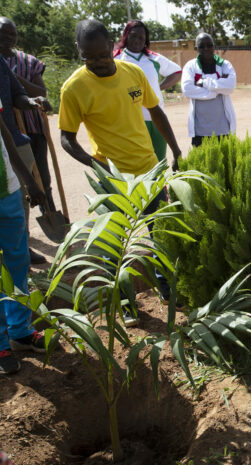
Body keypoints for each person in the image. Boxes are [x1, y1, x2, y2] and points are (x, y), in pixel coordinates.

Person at [59, 19, 183, 327]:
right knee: (114, 247)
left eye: (102, 55)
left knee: (161, 235)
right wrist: (93, 164)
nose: (99, 63)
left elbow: (156, 110)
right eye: (90, 58)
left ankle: (166, 287)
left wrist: (176, 150)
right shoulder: (74, 87)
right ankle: (126, 303)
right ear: (80, 51)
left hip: (148, 170)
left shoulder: (134, 72)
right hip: (111, 177)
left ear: (110, 45)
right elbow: (66, 137)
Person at [0, 97, 48, 374]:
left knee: (17, 261)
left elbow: (3, 131)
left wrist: (28, 179)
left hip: (7, 188)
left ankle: (19, 331)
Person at [0, 21, 49, 265]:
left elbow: (18, 94)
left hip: (13, 141)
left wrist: (32, 102)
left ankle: (22, 248)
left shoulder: (2, 64)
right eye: (2, 34)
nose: (7, 39)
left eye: (11, 34)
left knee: (19, 203)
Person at [114, 20, 182, 162]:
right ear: (126, 36)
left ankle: (160, 185)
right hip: (131, 122)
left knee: (159, 162)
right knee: (137, 164)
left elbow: (177, 72)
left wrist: (157, 88)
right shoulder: (117, 59)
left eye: (142, 38)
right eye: (134, 36)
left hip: (157, 120)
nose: (137, 41)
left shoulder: (153, 58)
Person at [181, 33, 236, 147]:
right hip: (200, 130)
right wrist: (216, 90)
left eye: (209, 45)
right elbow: (187, 89)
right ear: (196, 49)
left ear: (214, 47)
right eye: (202, 46)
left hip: (223, 128)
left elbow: (230, 86)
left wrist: (202, 82)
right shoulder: (190, 66)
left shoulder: (225, 65)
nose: (206, 48)